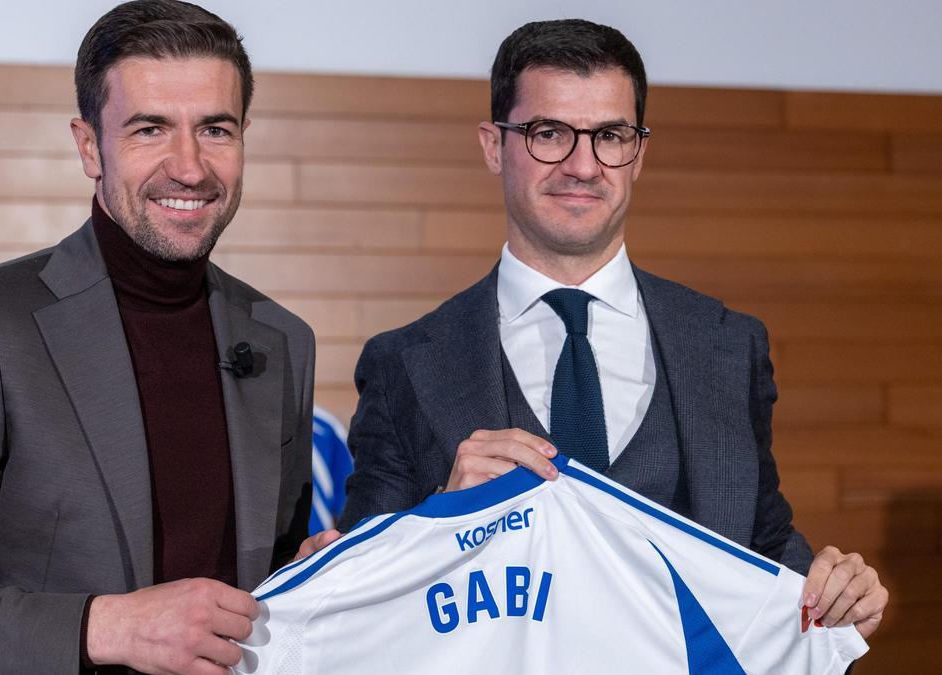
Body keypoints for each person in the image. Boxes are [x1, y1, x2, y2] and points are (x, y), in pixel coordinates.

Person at [317, 19, 887, 642]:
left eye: (610, 135)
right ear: (492, 145)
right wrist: (442, 515)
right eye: (549, 133)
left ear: (638, 152)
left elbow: (763, 548)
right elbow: (366, 601)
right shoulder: (405, 363)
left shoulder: (728, 346)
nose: (583, 166)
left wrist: (839, 596)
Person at [0, 2, 315, 673]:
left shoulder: (282, 339)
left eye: (215, 129)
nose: (189, 167)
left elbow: (257, 580)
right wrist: (112, 624)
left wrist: (311, 576)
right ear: (90, 146)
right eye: (150, 128)